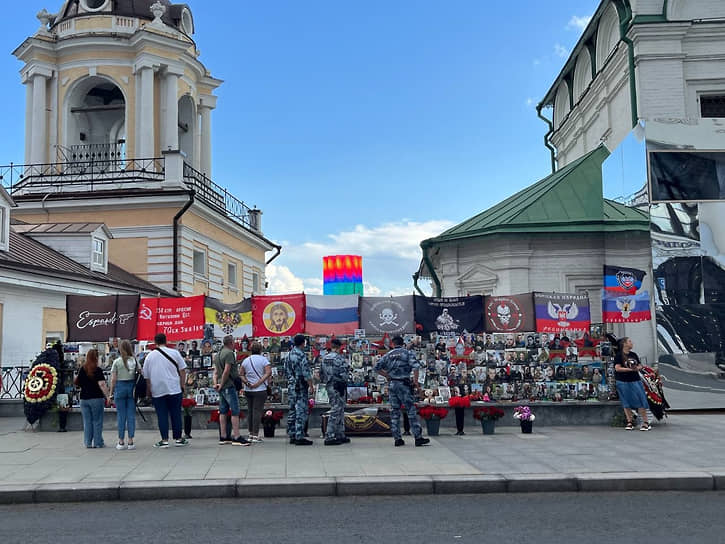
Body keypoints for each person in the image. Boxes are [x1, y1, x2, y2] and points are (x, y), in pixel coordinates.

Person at [374, 336, 430, 447]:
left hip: (392, 385)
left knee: (394, 412)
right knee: (411, 410)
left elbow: (376, 367)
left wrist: (387, 376)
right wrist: (416, 382)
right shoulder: (406, 353)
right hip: (404, 385)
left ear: (393, 344)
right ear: (402, 343)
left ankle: (397, 439)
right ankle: (418, 437)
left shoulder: (388, 355)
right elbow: (416, 367)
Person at [143, 333, 190, 448]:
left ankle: (164, 440)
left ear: (155, 342)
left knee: (162, 415)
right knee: (176, 414)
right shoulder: (175, 353)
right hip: (174, 388)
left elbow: (147, 377)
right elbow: (183, 370)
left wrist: (148, 391)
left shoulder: (150, 356)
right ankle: (178, 438)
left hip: (158, 390)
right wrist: (182, 385)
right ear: (166, 341)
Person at [213, 335, 248, 446]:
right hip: (229, 385)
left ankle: (223, 436)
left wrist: (216, 384)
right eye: (233, 342)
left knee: (223, 411)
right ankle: (237, 436)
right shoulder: (229, 353)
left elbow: (216, 372)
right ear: (231, 343)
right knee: (235, 410)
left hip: (221, 386)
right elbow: (227, 371)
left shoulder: (218, 355)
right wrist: (222, 384)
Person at [74, 349, 110, 448]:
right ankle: (98, 442)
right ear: (96, 358)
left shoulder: (82, 369)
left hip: (84, 398)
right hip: (96, 398)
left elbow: (77, 383)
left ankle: (88, 442)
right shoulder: (97, 370)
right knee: (97, 421)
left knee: (87, 421)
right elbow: (102, 384)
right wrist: (107, 396)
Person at [613, 337, 651, 431]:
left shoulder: (633, 354)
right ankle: (629, 421)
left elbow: (639, 365)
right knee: (626, 401)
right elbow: (617, 368)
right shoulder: (618, 356)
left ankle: (645, 422)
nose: (632, 343)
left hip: (634, 380)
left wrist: (638, 367)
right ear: (624, 344)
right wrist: (630, 369)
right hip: (622, 381)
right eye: (629, 341)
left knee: (640, 400)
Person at [240, 341, 271, 443]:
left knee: (250, 411)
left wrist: (247, 383)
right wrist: (259, 383)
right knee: (257, 411)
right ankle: (255, 435)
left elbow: (241, 374)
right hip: (260, 389)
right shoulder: (264, 360)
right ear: (261, 350)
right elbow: (268, 373)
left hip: (248, 389)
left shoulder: (246, 360)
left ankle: (250, 433)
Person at [109, 339, 137, 450]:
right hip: (131, 389)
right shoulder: (134, 361)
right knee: (131, 415)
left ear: (120, 349)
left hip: (120, 388)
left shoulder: (117, 362)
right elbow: (140, 373)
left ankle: (121, 441)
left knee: (121, 415)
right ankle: (130, 440)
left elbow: (113, 379)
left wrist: (111, 393)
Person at [320, 338, 350, 446]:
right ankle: (330, 435)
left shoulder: (324, 358)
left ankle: (340, 433)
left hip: (329, 386)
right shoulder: (340, 358)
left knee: (339, 409)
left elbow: (321, 375)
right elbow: (344, 374)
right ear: (339, 347)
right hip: (339, 386)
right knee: (337, 410)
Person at [287, 334, 313, 445]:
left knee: (292, 410)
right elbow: (306, 373)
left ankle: (292, 434)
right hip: (300, 386)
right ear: (303, 343)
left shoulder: (289, 355)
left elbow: (286, 370)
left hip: (291, 385)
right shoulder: (301, 355)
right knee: (301, 411)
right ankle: (299, 435)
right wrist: (311, 385)